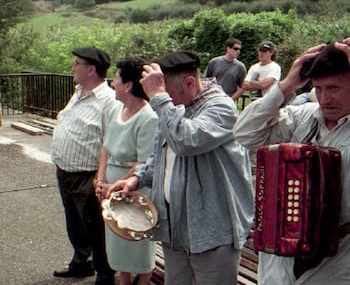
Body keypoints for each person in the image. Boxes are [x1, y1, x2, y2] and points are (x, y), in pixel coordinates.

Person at [106, 50, 254, 285]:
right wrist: (136, 179)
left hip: (212, 232)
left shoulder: (221, 108)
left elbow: (185, 140)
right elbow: (159, 156)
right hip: (175, 226)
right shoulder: (173, 107)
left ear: (189, 83)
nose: (166, 101)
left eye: (168, 93)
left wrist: (159, 98)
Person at [233, 39, 350, 284]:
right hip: (281, 256)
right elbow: (244, 133)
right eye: (318, 88)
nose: (325, 98)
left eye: (334, 88)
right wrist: (287, 85)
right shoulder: (303, 117)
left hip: (338, 260)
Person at [51, 47, 116, 285]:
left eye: (76, 63)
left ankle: (105, 274)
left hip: (87, 174)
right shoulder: (78, 92)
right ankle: (81, 263)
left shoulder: (108, 101)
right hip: (65, 170)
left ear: (91, 69)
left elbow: (108, 143)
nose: (72, 67)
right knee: (75, 222)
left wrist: (100, 178)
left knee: (95, 227)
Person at [94, 57, 158, 285]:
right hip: (110, 189)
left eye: (117, 79)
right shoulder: (116, 110)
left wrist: (115, 184)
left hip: (135, 190)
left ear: (128, 85)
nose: (113, 84)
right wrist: (100, 180)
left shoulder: (148, 117)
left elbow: (143, 162)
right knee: (118, 245)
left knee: (139, 249)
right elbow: (105, 146)